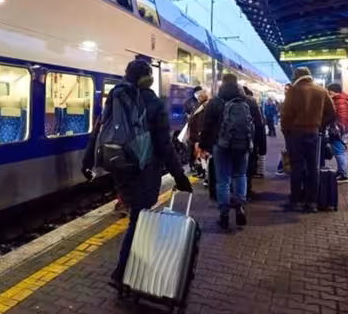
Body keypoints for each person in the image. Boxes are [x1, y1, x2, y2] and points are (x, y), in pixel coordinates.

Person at [81, 60, 192, 287]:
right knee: (138, 218)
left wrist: (88, 160)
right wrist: (179, 176)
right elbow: (164, 145)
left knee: (135, 213)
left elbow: (99, 129)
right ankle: (122, 273)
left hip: (121, 165)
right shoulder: (154, 103)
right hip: (145, 168)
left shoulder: (116, 96)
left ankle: (131, 271)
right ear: (148, 77)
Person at [199, 73, 263, 229]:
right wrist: (260, 146)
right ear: (238, 84)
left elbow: (206, 126)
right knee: (240, 175)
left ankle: (224, 215)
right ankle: (240, 207)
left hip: (221, 146)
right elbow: (259, 125)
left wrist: (204, 146)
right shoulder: (249, 101)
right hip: (243, 145)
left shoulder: (214, 102)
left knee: (223, 181)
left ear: (222, 84)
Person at [280, 67, 335, 213]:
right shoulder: (321, 91)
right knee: (313, 168)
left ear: (297, 76)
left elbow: (286, 115)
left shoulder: (293, 91)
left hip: (296, 134)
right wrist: (319, 125)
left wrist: (286, 132)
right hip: (313, 133)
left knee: (297, 167)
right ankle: (311, 203)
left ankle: (296, 201)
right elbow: (332, 113)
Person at [326, 83, 348, 183]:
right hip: (338, 130)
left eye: (329, 92)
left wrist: (337, 128)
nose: (328, 93)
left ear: (333, 91)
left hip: (337, 131)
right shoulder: (339, 100)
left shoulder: (339, 101)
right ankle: (340, 171)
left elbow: (342, 117)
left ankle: (343, 175)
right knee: (338, 151)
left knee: (339, 152)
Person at [188, 88, 210, 179]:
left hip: (198, 135)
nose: (198, 98)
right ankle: (200, 172)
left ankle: (204, 174)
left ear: (203, 97)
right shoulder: (200, 105)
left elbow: (201, 122)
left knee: (201, 155)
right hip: (195, 135)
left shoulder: (204, 106)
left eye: (200, 96)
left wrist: (199, 135)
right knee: (198, 155)